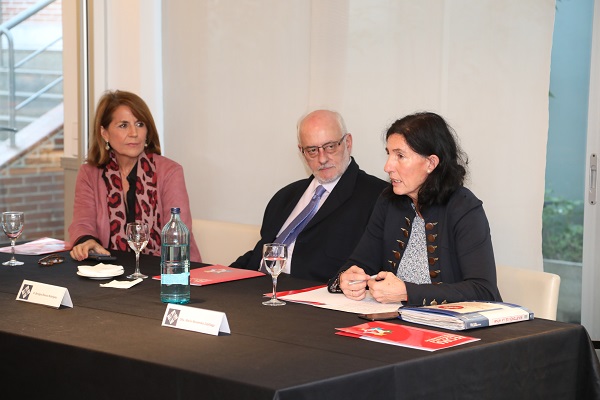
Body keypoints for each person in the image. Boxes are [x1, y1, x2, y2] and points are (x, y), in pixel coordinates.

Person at [328, 111, 501, 306]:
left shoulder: (464, 207)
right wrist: (348, 277)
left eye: (400, 156)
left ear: (431, 163)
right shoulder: (389, 201)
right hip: (396, 322)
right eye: (389, 154)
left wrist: (407, 293)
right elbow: (360, 261)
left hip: (453, 328)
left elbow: (483, 291)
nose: (387, 166)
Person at [230, 110, 387, 282]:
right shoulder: (284, 197)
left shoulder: (379, 197)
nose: (322, 159)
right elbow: (260, 254)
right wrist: (220, 276)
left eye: (330, 147)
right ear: (302, 152)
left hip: (311, 298)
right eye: (312, 150)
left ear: (348, 142)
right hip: (256, 290)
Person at [68, 90, 201, 262]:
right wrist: (87, 242)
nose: (134, 133)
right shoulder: (90, 173)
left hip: (168, 270)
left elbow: (176, 236)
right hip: (109, 269)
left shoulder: (169, 172)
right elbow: (82, 223)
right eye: (123, 125)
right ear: (105, 133)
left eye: (139, 124)